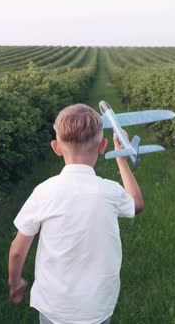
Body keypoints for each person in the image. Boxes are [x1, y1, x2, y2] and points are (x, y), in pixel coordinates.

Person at [8, 103, 144, 324]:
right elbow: (137, 204)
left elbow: (16, 252)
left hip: (53, 307)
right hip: (97, 307)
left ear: (56, 147)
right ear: (103, 146)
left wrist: (15, 282)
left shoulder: (44, 192)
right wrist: (121, 159)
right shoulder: (109, 191)